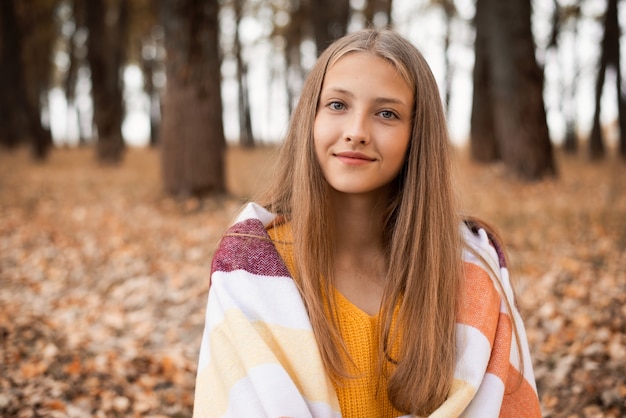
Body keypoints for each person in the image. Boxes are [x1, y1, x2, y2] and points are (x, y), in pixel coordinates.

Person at [193, 28, 541, 417]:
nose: (356, 132)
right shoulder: (251, 267)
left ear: (416, 134)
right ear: (311, 116)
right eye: (338, 105)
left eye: (386, 113)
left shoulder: (470, 268)